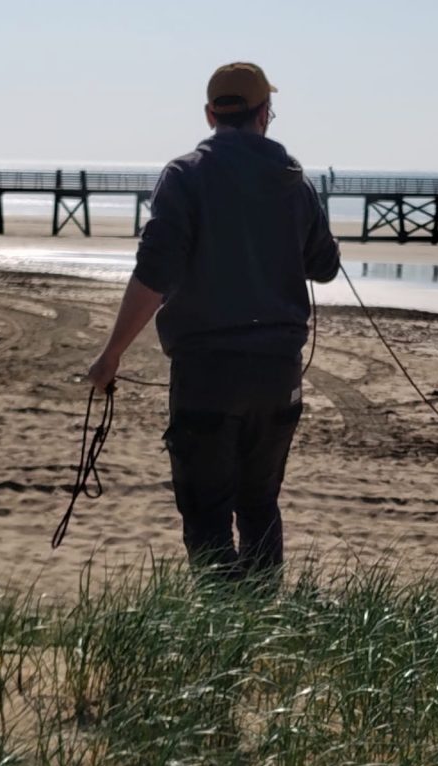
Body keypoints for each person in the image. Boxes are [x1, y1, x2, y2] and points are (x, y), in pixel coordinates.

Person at [87, 62, 340, 583]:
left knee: (206, 512)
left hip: (207, 372)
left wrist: (111, 355)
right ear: (264, 114)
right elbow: (325, 267)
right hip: (277, 372)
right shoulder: (294, 181)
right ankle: (260, 617)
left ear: (210, 115)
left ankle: (221, 621)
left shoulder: (185, 176)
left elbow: (154, 274)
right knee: (259, 504)